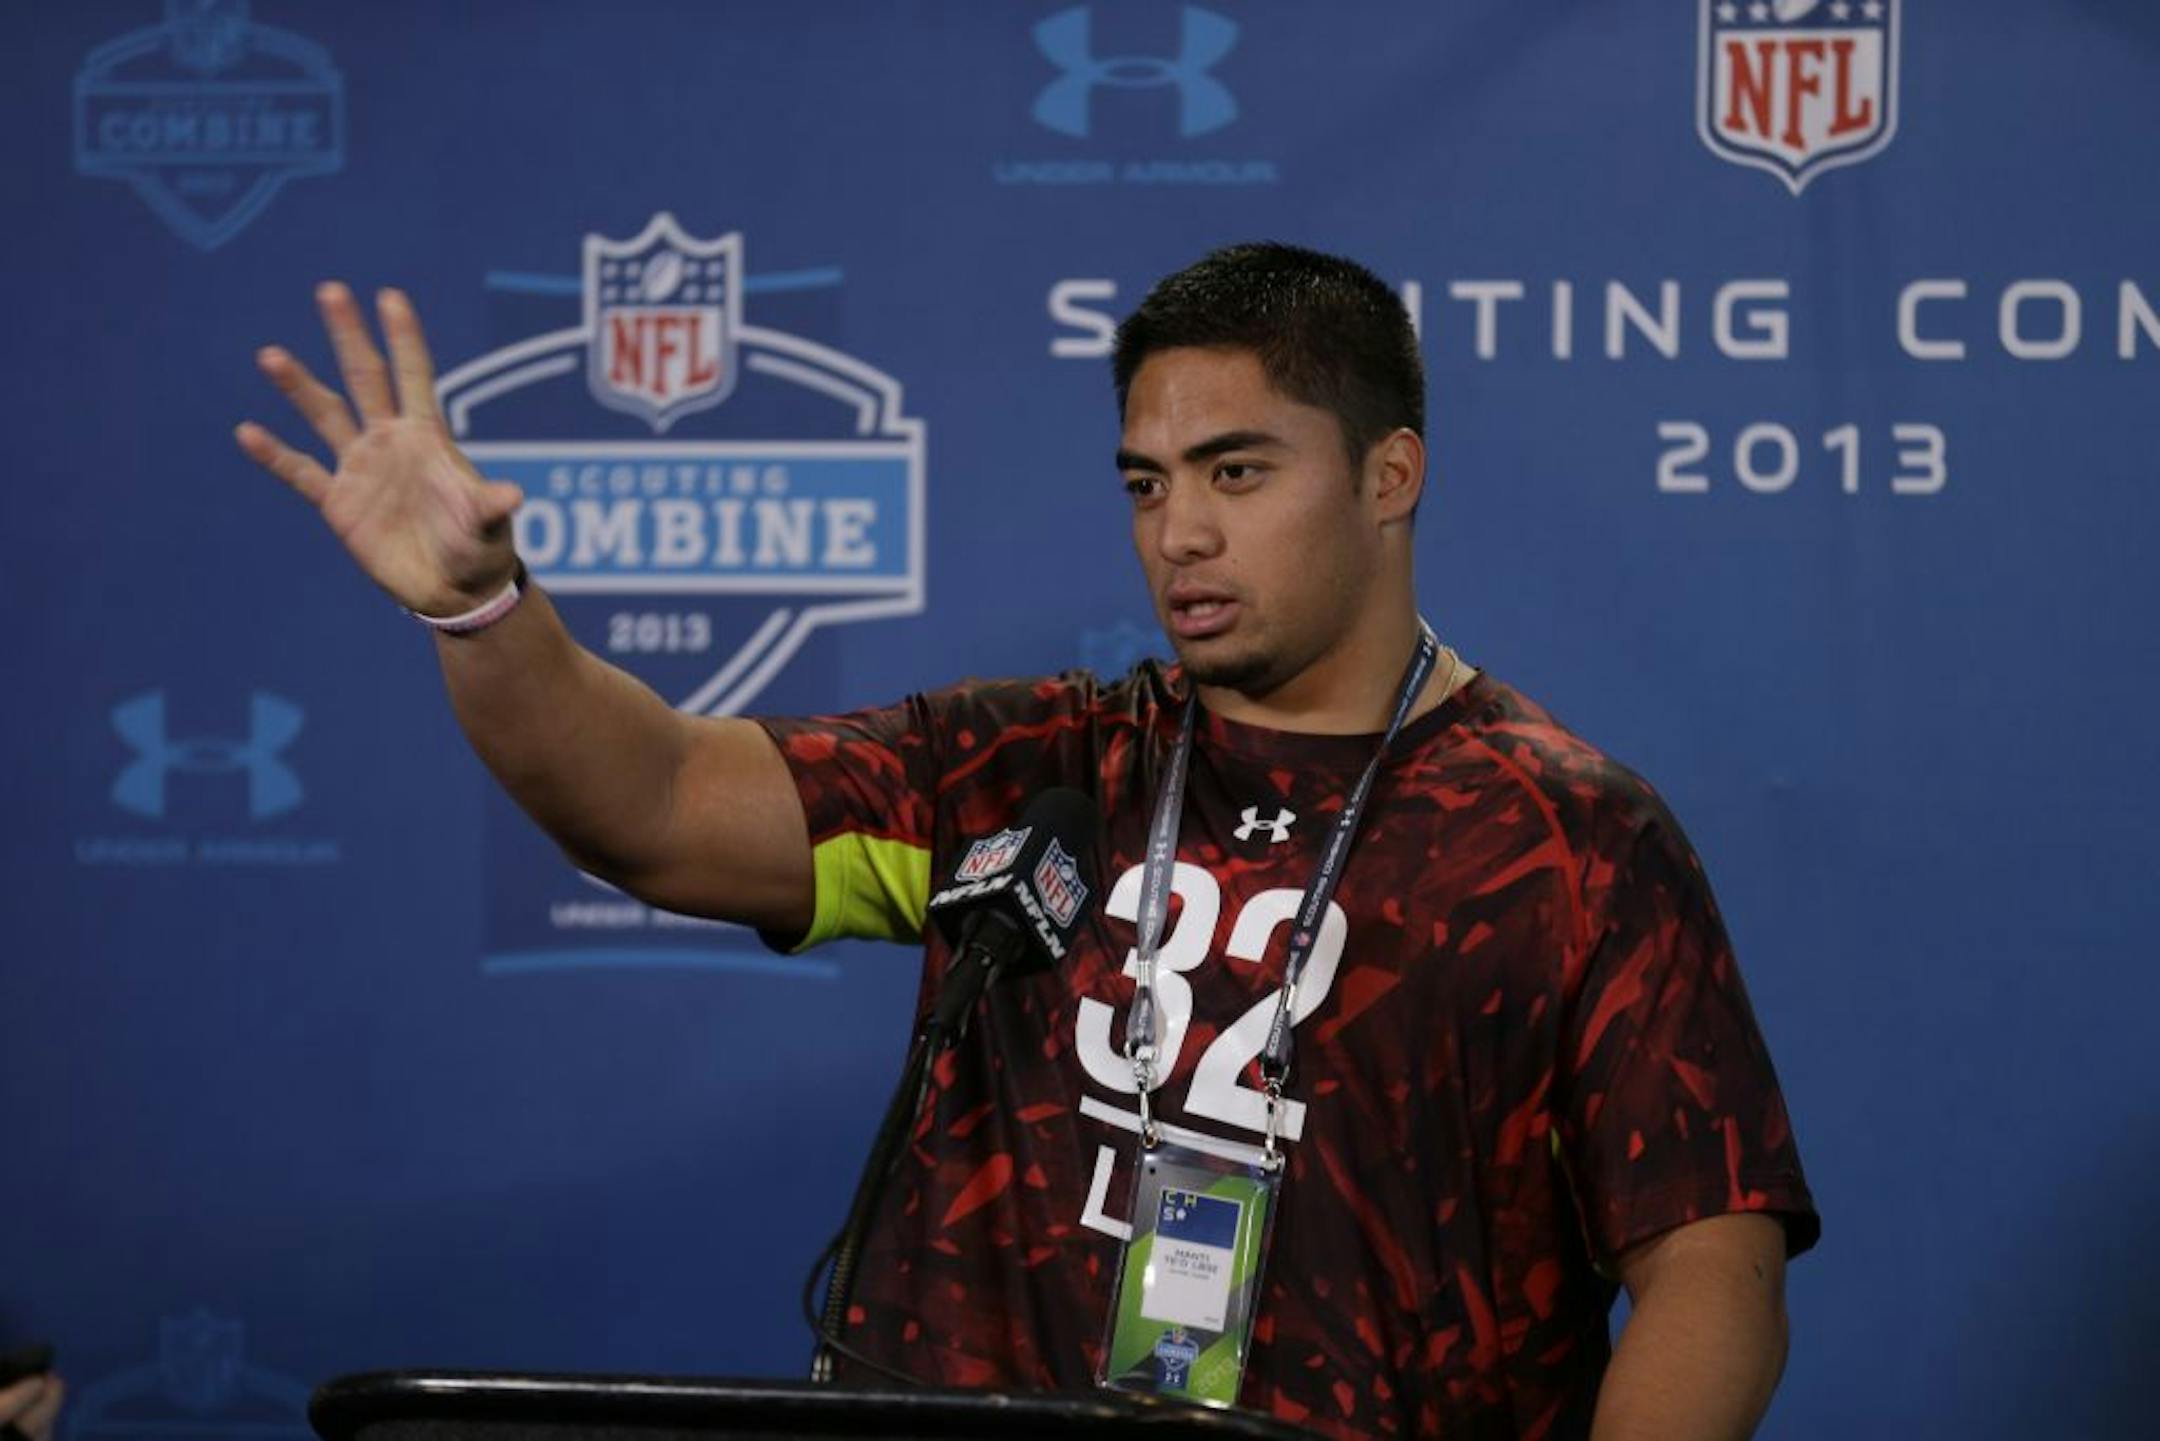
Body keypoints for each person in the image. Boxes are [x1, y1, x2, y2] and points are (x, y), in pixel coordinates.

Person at [237, 242, 1818, 1441]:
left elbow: (1709, 1262)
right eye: (1147, 481)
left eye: (1237, 471)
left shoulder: (1573, 839)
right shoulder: (1028, 772)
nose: (1177, 532)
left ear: (1389, 474)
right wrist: (479, 609)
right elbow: (649, 804)